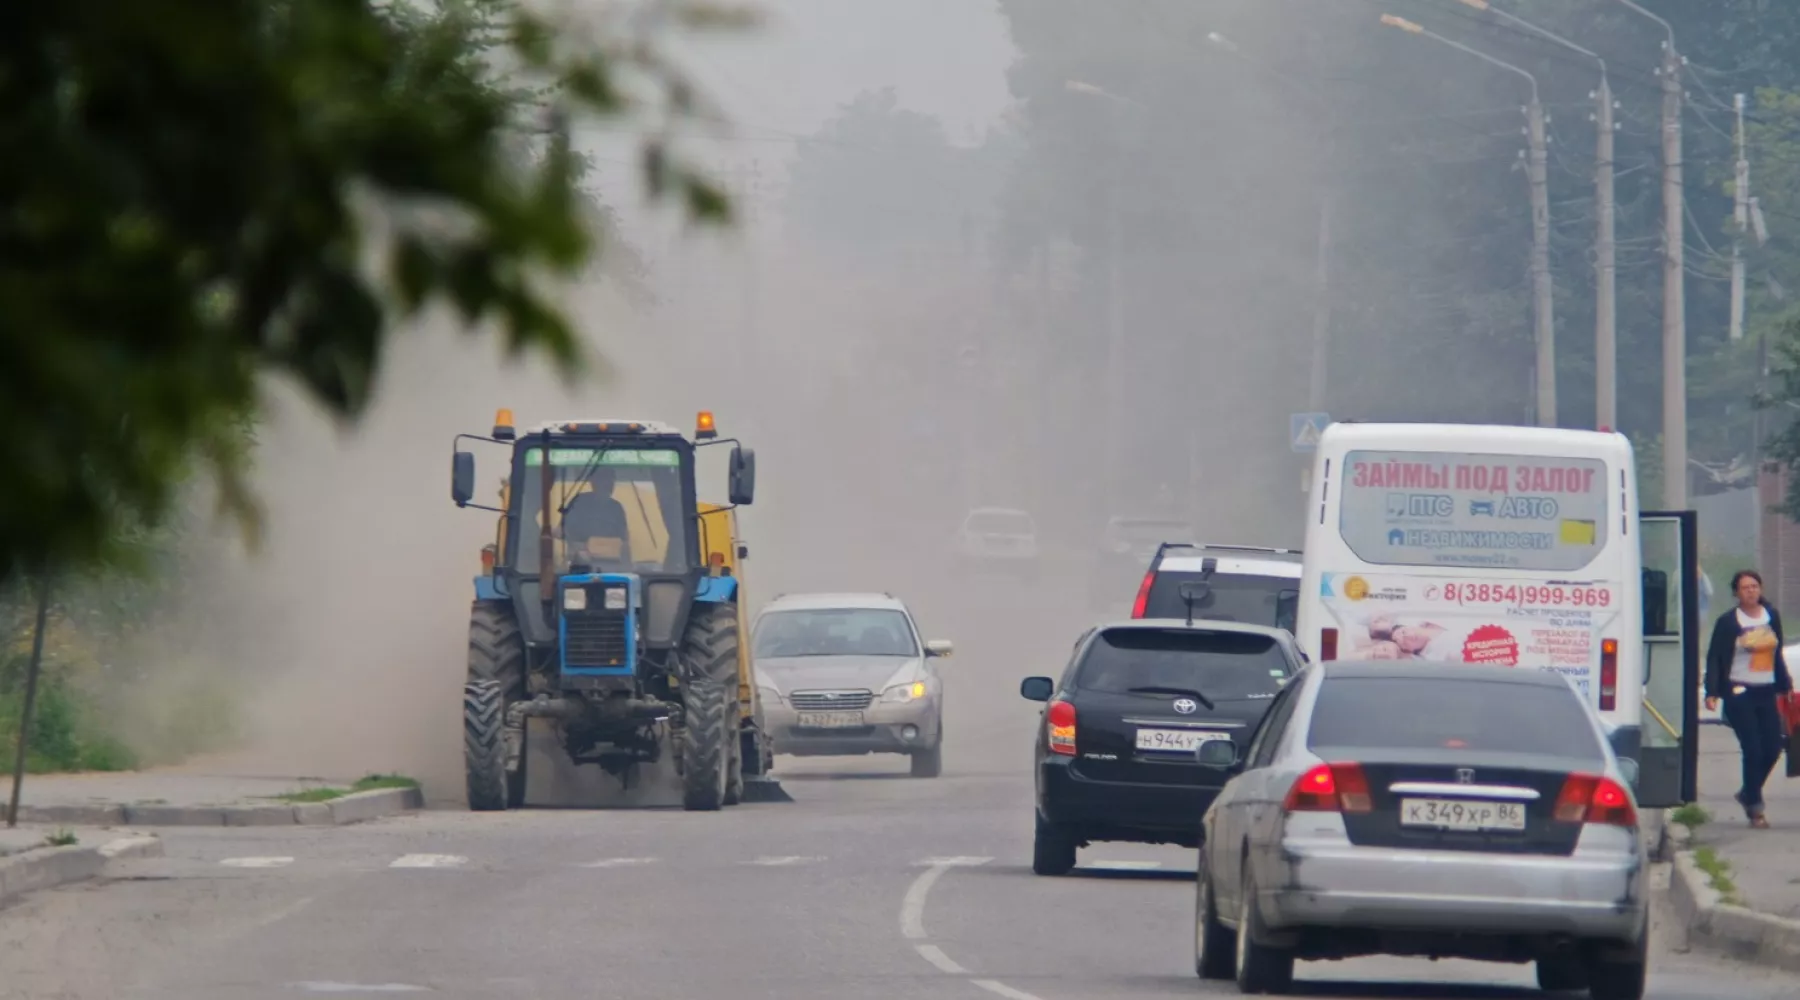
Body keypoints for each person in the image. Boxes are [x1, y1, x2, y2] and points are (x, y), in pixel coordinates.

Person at [1704, 569, 1795, 829]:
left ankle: (1748, 791)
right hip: (1738, 691)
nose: (1751, 591)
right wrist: (1712, 691)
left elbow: (1777, 654)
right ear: (1736, 593)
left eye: (1754, 586)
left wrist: (1785, 683)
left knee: (1773, 748)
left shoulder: (1771, 616)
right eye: (1745, 587)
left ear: (1761, 589)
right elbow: (1715, 657)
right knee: (1752, 749)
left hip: (1766, 691)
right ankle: (1755, 808)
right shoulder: (1729, 622)